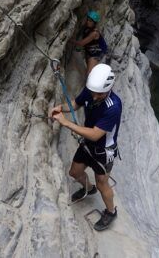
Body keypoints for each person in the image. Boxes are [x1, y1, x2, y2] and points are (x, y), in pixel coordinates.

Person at [49, 64, 122, 231]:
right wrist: (61, 108)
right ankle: (89, 189)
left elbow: (96, 135)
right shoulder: (92, 90)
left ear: (109, 88)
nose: (95, 96)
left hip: (103, 151)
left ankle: (111, 212)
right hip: (88, 144)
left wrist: (65, 122)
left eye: (99, 94)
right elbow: (75, 103)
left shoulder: (113, 107)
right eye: (94, 92)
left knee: (103, 183)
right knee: (74, 172)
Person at [70, 10, 107, 75]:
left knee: (89, 74)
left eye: (90, 21)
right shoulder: (87, 29)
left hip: (96, 54)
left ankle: (89, 84)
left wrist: (70, 40)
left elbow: (82, 43)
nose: (88, 22)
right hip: (90, 51)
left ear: (94, 23)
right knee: (88, 67)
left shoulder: (94, 33)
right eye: (88, 20)